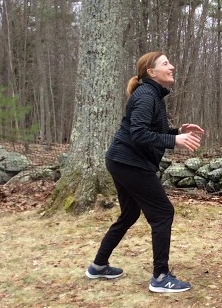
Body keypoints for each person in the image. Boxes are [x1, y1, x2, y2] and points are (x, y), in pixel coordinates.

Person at [85, 51, 204, 293]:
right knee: (163, 213)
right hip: (130, 161)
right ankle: (160, 277)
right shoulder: (146, 96)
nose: (172, 66)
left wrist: (177, 131)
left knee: (129, 215)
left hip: (122, 160)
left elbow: (148, 130)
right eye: (165, 63)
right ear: (151, 72)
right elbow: (138, 135)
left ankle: (98, 266)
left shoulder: (153, 96)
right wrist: (175, 141)